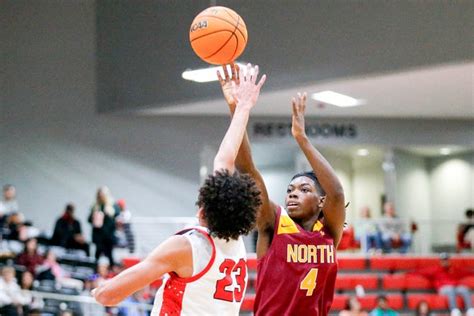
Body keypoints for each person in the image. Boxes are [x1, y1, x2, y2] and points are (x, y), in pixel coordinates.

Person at [93, 63, 266, 315]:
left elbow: (109, 295)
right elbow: (224, 160)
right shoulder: (236, 241)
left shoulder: (187, 248)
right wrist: (242, 108)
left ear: (203, 212)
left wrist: (97, 292)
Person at [219, 64, 345, 315]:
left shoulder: (329, 231)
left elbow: (337, 193)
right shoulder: (273, 223)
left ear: (321, 201)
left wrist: (302, 139)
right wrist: (237, 108)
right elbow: (247, 170)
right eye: (290, 189)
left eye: (303, 189)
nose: (292, 193)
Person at [406, 253, 474, 316]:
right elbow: (422, 272)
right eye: (443, 260)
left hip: (455, 287)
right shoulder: (435, 269)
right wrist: (409, 273)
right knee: (450, 289)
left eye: (446, 260)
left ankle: (470, 309)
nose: (445, 262)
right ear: (440, 261)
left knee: (464, 289)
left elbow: (465, 273)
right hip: (443, 289)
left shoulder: (454, 269)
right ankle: (454, 310)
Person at [88, 186, 120, 266]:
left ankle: (110, 271)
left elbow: (117, 214)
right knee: (98, 254)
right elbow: (89, 219)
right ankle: (95, 272)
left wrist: (109, 212)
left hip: (108, 235)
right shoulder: (95, 206)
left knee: (109, 254)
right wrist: (94, 216)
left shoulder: (112, 205)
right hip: (99, 235)